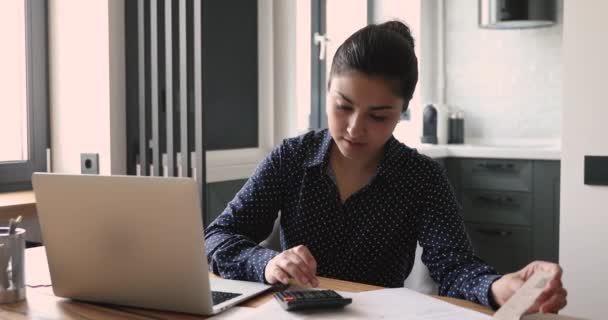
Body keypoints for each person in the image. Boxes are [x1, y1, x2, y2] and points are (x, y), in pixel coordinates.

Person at [204, 21, 567, 313]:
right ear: (327, 90)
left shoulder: (421, 177)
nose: (354, 128)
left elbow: (453, 266)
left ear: (403, 110)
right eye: (343, 106)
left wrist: (498, 287)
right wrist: (266, 263)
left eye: (378, 115)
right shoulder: (291, 157)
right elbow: (217, 238)